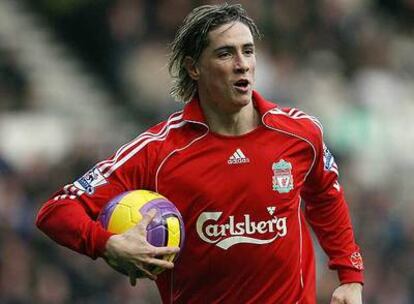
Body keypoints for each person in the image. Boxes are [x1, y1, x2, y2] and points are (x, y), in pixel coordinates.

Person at [36, 3, 364, 303]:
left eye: (247, 51)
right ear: (194, 68)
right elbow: (57, 211)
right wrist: (107, 243)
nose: (242, 65)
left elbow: (325, 195)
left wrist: (350, 275)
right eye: (225, 54)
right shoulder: (158, 152)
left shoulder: (300, 134)